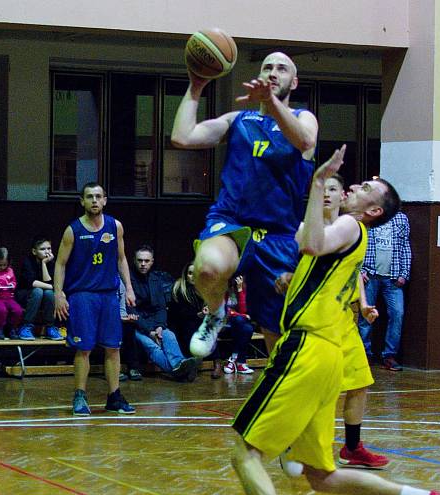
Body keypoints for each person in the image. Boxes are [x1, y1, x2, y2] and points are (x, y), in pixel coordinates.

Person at [230, 147, 440, 495]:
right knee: (321, 476)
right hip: (327, 355)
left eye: (364, 188)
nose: (354, 185)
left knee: (244, 450)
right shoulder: (349, 231)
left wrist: (317, 184)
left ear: (372, 210)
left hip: (306, 349)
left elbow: (311, 242)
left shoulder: (352, 225)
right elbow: (306, 242)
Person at [171, 51, 318, 357]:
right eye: (267, 67)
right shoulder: (238, 120)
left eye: (282, 68)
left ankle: (283, 394)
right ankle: (215, 311)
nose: (273, 72)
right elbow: (183, 137)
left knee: (277, 340)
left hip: (278, 235)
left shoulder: (304, 118)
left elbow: (304, 141)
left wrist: (273, 104)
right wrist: (196, 86)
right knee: (208, 268)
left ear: (294, 81)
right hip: (233, 221)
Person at [277, 174, 389, 469]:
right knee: (313, 388)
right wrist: (289, 276)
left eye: (333, 188)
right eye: (322, 188)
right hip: (317, 322)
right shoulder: (325, 228)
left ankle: (351, 446)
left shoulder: (350, 228)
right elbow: (305, 256)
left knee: (359, 384)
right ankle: (292, 439)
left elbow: (353, 273)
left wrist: (363, 304)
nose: (328, 193)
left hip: (341, 320)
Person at [54, 182, 136, 416]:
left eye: (98, 196)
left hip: (109, 295)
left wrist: (129, 288)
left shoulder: (115, 226)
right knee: (84, 348)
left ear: (105, 200)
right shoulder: (73, 231)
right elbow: (60, 264)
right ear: (82, 201)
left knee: (113, 347)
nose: (94, 201)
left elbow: (121, 259)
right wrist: (59, 294)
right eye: (89, 197)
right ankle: (80, 396)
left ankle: (114, 396)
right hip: (82, 296)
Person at [130, 245, 198, 381]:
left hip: (156, 323)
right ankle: (181, 372)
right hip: (136, 325)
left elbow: (161, 307)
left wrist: (160, 326)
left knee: (170, 335)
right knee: (152, 346)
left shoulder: (156, 279)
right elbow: (131, 310)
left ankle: (180, 367)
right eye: (140, 260)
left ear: (152, 261)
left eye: (146, 261)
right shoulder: (129, 279)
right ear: (134, 261)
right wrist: (149, 331)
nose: (143, 264)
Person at [358, 208, 411, 371]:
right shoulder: (367, 218)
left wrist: (404, 273)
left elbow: (405, 246)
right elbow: (358, 245)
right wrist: (359, 270)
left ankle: (389, 355)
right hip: (370, 274)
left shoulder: (401, 219)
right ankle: (364, 354)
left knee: (397, 313)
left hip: (393, 276)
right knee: (366, 315)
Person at [18, 235, 63, 341]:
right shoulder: (27, 262)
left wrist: (44, 263)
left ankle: (50, 327)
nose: (47, 252)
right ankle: (26, 327)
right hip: (26, 295)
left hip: (45, 298)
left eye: (49, 248)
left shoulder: (51, 262)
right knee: (38, 291)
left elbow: (48, 281)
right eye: (42, 249)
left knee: (49, 293)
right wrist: (54, 288)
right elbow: (33, 283)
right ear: (34, 251)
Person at [222, 275, 255, 375]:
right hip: (225, 324)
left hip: (238, 325)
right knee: (242, 322)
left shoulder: (243, 289)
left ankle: (234, 359)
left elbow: (243, 309)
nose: (235, 281)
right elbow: (224, 311)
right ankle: (240, 362)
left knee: (247, 328)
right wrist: (241, 315)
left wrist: (240, 290)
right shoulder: (223, 289)